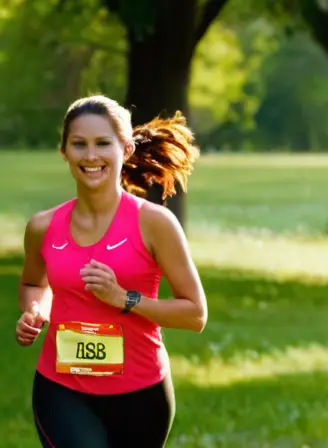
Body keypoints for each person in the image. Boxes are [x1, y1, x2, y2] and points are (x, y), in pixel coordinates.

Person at [14, 95, 208, 447]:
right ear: (64, 152)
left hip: (142, 393)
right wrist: (35, 311)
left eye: (103, 143)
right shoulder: (43, 227)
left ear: (127, 149)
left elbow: (195, 314)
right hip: (62, 389)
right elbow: (32, 282)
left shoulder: (155, 223)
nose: (91, 156)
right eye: (79, 144)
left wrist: (124, 299)